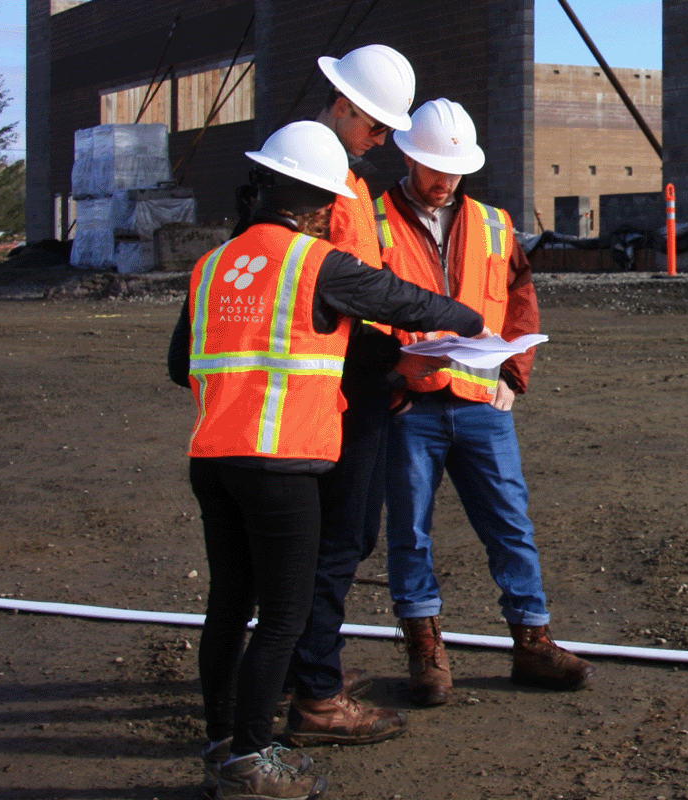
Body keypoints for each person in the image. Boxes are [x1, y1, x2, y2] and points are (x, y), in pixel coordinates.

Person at [169, 120, 488, 800]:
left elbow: (179, 364)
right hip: (283, 460)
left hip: (215, 458)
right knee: (284, 617)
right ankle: (250, 763)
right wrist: (467, 322)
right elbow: (402, 300)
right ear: (317, 202)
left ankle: (221, 741)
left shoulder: (213, 265)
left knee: (229, 606)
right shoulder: (316, 263)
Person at [373, 99, 594, 705]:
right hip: (409, 404)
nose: (444, 183)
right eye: (433, 170)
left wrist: (514, 375)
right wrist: (388, 377)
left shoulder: (494, 223)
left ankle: (533, 641)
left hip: (479, 400)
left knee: (510, 523)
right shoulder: (371, 224)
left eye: (454, 172)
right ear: (408, 157)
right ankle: (426, 650)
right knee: (410, 531)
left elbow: (520, 299)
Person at [281, 42, 423, 747]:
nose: (384, 139)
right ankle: (315, 690)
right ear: (341, 106)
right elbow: (332, 293)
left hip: (359, 379)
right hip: (340, 386)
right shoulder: (319, 185)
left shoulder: (349, 182)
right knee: (336, 539)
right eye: (375, 124)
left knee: (340, 536)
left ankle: (298, 668)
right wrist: (391, 358)